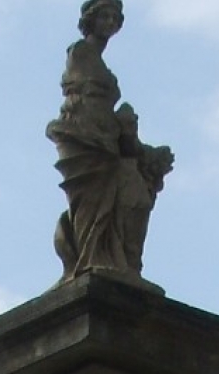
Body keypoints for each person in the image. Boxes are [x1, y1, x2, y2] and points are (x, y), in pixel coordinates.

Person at [46, 0, 173, 280]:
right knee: (91, 200)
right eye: (105, 16)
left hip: (105, 136)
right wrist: (117, 123)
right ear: (91, 19)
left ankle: (113, 260)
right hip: (85, 137)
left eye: (115, 17)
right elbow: (84, 96)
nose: (110, 22)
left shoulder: (99, 62)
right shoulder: (80, 52)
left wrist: (127, 130)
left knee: (129, 196)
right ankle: (92, 258)